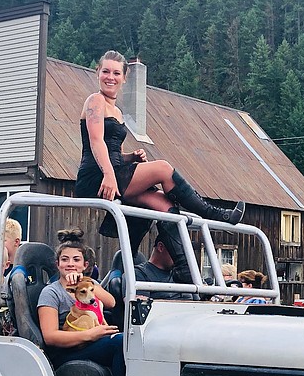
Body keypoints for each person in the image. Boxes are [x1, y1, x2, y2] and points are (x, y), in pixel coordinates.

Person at [76, 50, 244, 278]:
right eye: (106, 71)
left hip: (115, 171)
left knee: (165, 206)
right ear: (98, 72)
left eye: (116, 73)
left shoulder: (116, 111)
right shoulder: (94, 101)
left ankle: (185, 272)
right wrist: (108, 174)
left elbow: (111, 149)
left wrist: (130, 158)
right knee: (163, 168)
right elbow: (95, 142)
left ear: (124, 78)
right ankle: (213, 213)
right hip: (97, 176)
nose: (110, 77)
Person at [37, 228, 123, 376]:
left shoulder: (89, 284)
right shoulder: (51, 292)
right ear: (58, 264)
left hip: (92, 342)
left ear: (85, 265)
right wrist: (91, 334)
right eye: (65, 259)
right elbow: (50, 336)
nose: (70, 264)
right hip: (68, 352)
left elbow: (111, 302)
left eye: (76, 260)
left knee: (131, 341)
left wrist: (85, 283)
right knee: (119, 343)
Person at [133, 232, 199, 301]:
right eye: (178, 251)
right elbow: (142, 307)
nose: (182, 256)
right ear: (161, 247)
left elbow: (200, 302)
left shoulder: (183, 275)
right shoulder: (139, 275)